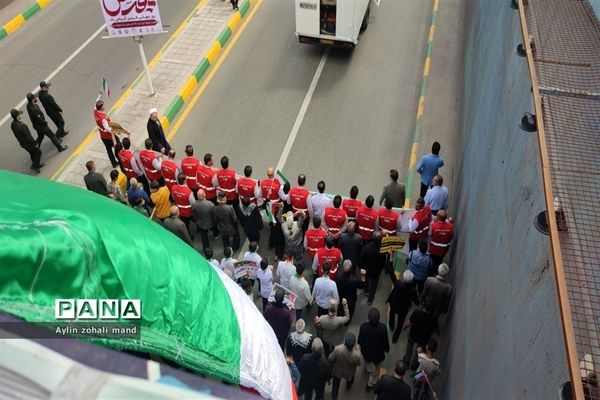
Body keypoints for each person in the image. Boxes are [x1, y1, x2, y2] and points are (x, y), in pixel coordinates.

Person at [358, 307, 390, 391]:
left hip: (367, 353)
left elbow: (360, 341)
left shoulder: (363, 327)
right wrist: (387, 349)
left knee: (368, 364)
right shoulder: (383, 328)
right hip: (378, 355)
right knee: (375, 372)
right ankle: (371, 384)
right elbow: (385, 342)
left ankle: (368, 370)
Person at [403, 298, 438, 370]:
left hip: (413, 334)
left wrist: (405, 326)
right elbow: (435, 330)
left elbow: (409, 322)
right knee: (418, 352)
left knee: (409, 347)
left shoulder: (417, 313)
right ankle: (414, 365)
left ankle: (406, 361)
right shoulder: (434, 318)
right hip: (424, 338)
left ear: (423, 305)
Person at [387, 270, 419, 343]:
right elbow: (417, 302)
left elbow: (392, 274)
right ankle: (395, 338)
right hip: (403, 309)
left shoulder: (398, 284)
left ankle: (391, 325)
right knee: (400, 324)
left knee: (392, 313)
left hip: (394, 304)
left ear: (403, 279)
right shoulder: (413, 291)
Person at [328, 332, 362, 399]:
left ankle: (334, 397)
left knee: (335, 385)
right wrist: (358, 350)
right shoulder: (356, 355)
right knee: (350, 380)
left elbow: (330, 359)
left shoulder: (338, 349)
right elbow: (358, 364)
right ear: (354, 344)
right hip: (349, 372)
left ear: (345, 342)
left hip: (337, 371)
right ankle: (348, 387)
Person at [360, 231, 387, 305]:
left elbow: (362, 258)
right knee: (374, 284)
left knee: (366, 279)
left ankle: (366, 290)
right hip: (376, 270)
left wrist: (361, 267)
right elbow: (383, 261)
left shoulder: (366, 247)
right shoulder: (382, 250)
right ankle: (370, 299)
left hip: (367, 269)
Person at [93, 93, 119, 167]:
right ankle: (120, 158)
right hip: (109, 136)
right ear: (101, 108)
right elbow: (107, 128)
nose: (104, 106)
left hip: (102, 136)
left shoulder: (95, 111)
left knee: (109, 150)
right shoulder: (103, 118)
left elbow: (96, 102)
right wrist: (114, 129)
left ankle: (113, 163)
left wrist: (100, 94)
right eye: (103, 105)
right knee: (117, 146)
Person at [428, 210, 454, 275]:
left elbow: (429, 234)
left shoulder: (433, 225)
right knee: (439, 261)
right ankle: (437, 272)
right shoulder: (451, 226)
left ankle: (431, 274)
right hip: (444, 249)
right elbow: (452, 237)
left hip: (433, 249)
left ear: (439, 218)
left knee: (432, 262)